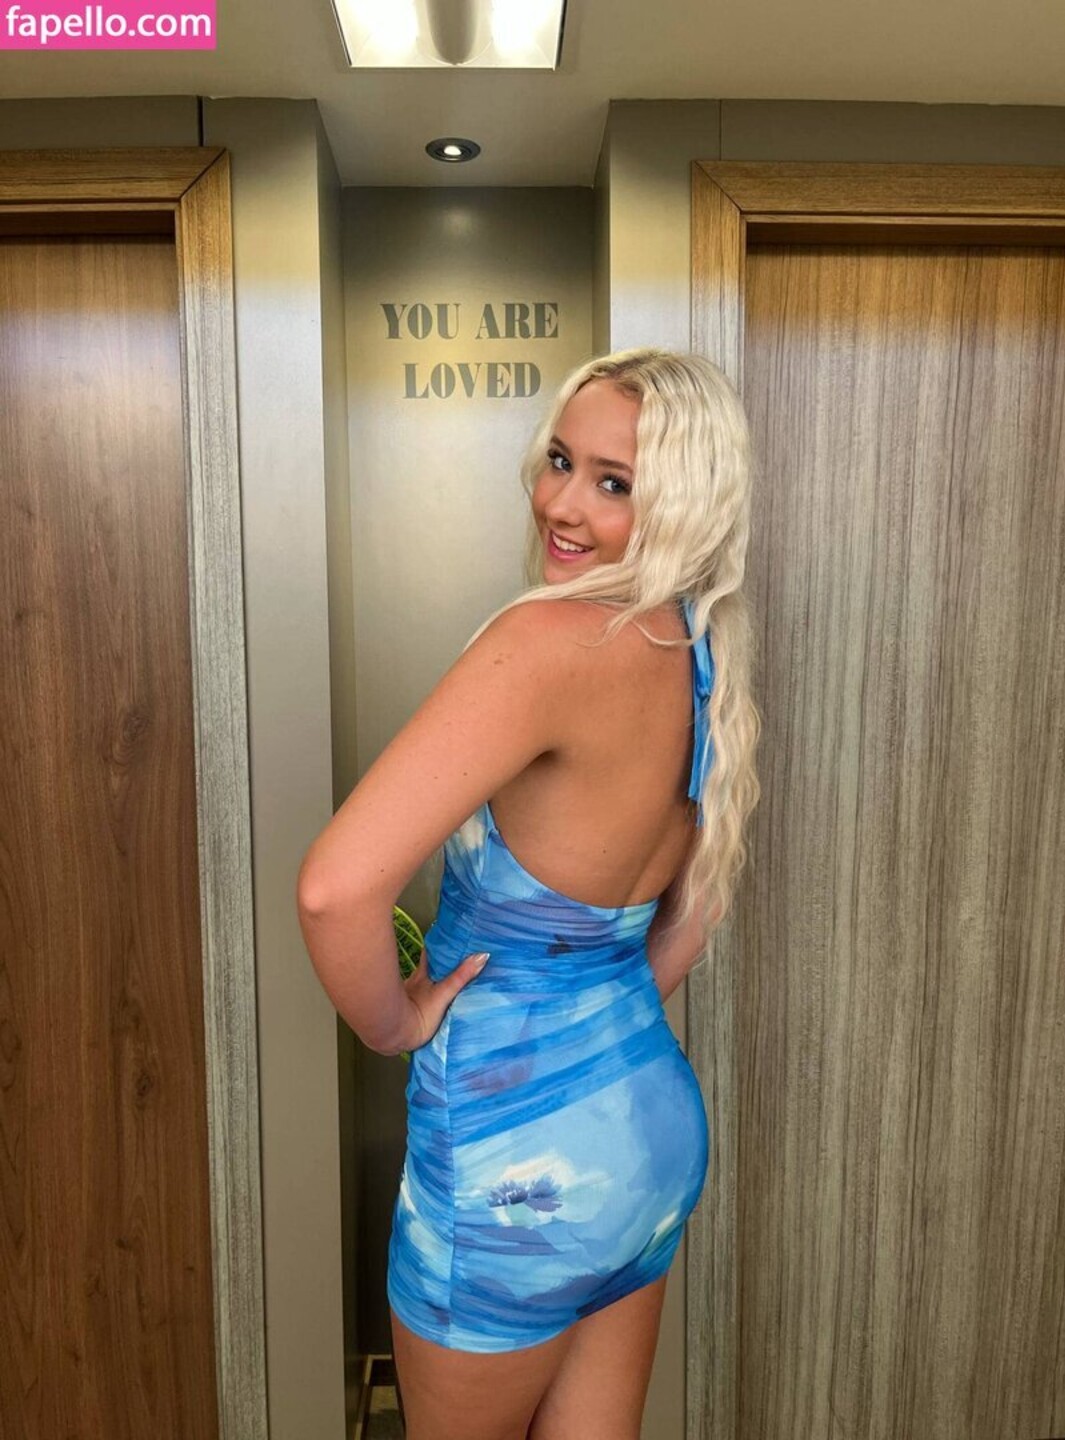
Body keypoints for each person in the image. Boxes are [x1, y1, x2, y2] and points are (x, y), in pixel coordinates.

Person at [297, 347, 761, 1440]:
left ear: (685, 504)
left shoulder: (549, 642)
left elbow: (333, 892)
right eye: (560, 460)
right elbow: (693, 916)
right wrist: (586, 1029)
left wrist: (395, 1023)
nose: (560, 502)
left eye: (614, 482)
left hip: (514, 1173)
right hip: (644, 1139)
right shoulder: (700, 658)